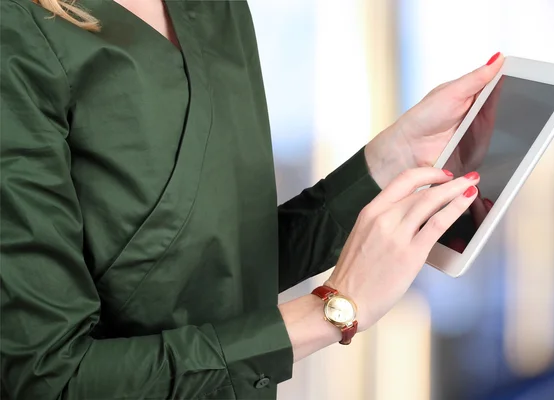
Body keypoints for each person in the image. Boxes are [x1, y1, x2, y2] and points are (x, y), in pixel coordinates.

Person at [0, 0, 504, 398]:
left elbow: (220, 269)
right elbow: (48, 380)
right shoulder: (17, 31)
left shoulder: (218, 9)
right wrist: (332, 309)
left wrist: (391, 159)